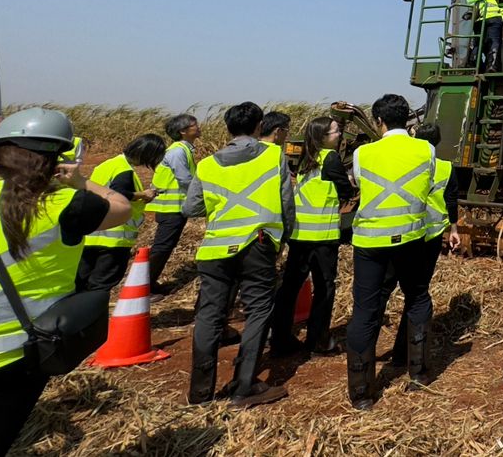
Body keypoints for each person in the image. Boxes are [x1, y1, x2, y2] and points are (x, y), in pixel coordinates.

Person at [0, 108, 131, 456]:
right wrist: (79, 180)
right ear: (54, 162)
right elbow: (121, 206)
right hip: (8, 361)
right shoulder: (63, 206)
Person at [183, 101, 294, 408]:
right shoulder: (273, 156)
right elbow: (287, 205)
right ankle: (244, 387)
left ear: (227, 128)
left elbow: (190, 208)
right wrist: (281, 240)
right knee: (258, 310)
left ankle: (200, 392)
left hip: (215, 249)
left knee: (210, 316)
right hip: (257, 245)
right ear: (260, 126)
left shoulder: (206, 165)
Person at [346, 94, 435, 409]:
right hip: (411, 240)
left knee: (366, 312)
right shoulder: (426, 149)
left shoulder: (362, 153)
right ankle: (419, 374)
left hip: (370, 243)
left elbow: (357, 184)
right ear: (408, 120)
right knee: (418, 298)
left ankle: (361, 395)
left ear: (378, 121)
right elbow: (430, 182)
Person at [269, 117, 358, 356]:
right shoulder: (330, 158)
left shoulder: (307, 158)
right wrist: (352, 185)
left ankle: (279, 339)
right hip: (322, 236)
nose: (339, 135)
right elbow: (346, 191)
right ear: (323, 137)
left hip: (299, 235)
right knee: (324, 288)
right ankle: (318, 341)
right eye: (335, 131)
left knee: (289, 288)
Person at [382, 122, 461, 375]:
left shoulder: (405, 161)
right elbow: (451, 201)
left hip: (401, 234)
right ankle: (403, 356)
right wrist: (454, 229)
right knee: (417, 295)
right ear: (437, 141)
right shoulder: (446, 167)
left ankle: (372, 351)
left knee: (382, 291)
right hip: (430, 237)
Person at [75, 133, 165, 292]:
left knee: (82, 283)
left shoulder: (107, 165)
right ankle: (96, 315)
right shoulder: (124, 170)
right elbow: (119, 194)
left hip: (91, 236)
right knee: (100, 287)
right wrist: (143, 195)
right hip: (114, 239)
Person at [147, 112, 201, 294]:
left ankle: (149, 283)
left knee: (165, 246)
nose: (198, 126)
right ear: (183, 131)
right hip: (171, 208)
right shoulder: (178, 151)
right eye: (194, 124)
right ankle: (146, 286)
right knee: (162, 247)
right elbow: (185, 180)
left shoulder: (181, 149)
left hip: (174, 208)